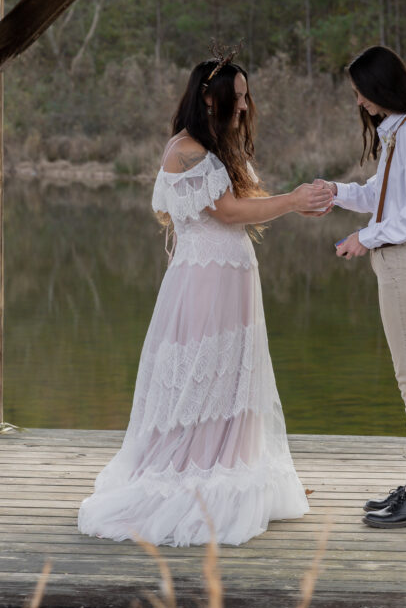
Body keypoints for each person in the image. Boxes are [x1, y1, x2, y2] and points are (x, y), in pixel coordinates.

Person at [78, 53, 333, 546]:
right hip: (205, 281)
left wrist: (291, 206)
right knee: (198, 374)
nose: (243, 106)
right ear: (207, 97)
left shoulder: (214, 148)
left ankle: (224, 463)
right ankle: (188, 472)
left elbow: (241, 209)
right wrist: (292, 200)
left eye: (244, 96)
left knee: (231, 375)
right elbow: (227, 210)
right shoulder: (186, 149)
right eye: (234, 97)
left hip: (231, 277)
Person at [323, 46, 406, 529]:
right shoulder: (400, 132)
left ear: (380, 88)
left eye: (360, 92)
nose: (358, 102)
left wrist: (363, 238)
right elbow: (380, 195)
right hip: (398, 265)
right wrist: (335, 193)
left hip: (404, 265)